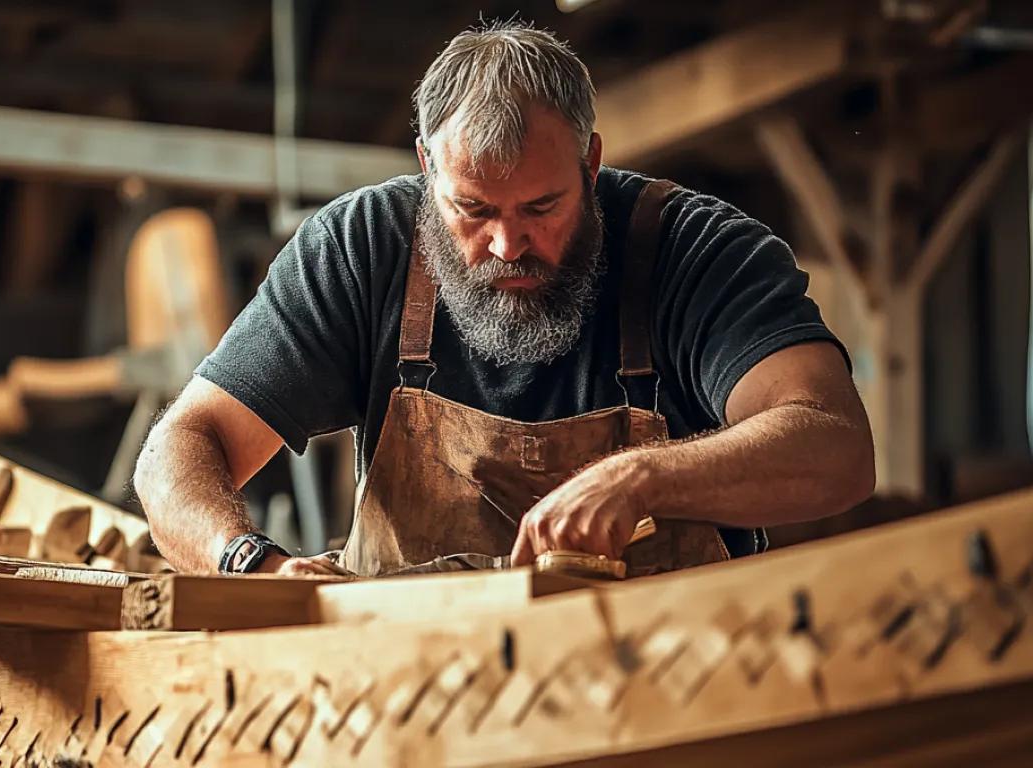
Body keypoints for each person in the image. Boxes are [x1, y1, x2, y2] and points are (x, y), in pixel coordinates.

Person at [134, 21, 875, 578]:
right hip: (403, 701)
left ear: (590, 163)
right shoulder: (360, 251)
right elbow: (178, 447)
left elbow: (835, 445)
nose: (506, 245)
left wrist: (645, 476)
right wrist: (247, 564)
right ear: (427, 168)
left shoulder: (695, 252)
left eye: (542, 208)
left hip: (672, 690)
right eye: (474, 211)